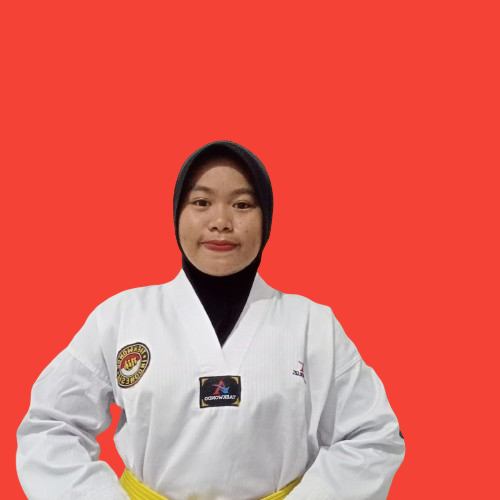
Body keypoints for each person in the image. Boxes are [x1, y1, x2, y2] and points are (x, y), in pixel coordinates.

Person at [17, 141, 405, 500]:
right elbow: (51, 427)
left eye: (242, 204)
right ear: (177, 214)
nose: (221, 221)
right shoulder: (120, 318)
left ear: (267, 218)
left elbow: (373, 436)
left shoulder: (312, 325)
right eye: (201, 202)